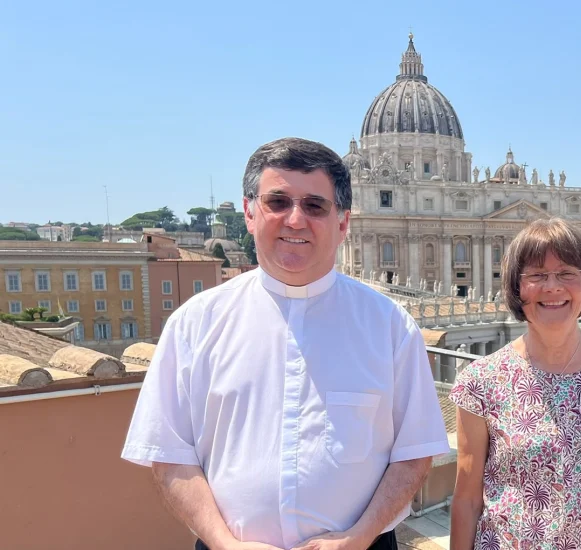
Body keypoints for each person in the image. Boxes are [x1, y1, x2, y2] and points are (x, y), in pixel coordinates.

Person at [122, 137, 449, 550]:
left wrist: (358, 537)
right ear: (249, 213)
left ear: (343, 222)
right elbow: (168, 456)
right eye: (278, 202)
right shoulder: (193, 323)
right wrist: (225, 543)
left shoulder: (391, 326)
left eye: (314, 206)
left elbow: (414, 453)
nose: (295, 220)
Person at [449, 217, 581, 549]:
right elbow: (467, 499)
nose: (553, 287)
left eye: (567, 273)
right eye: (537, 275)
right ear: (517, 288)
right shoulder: (480, 381)